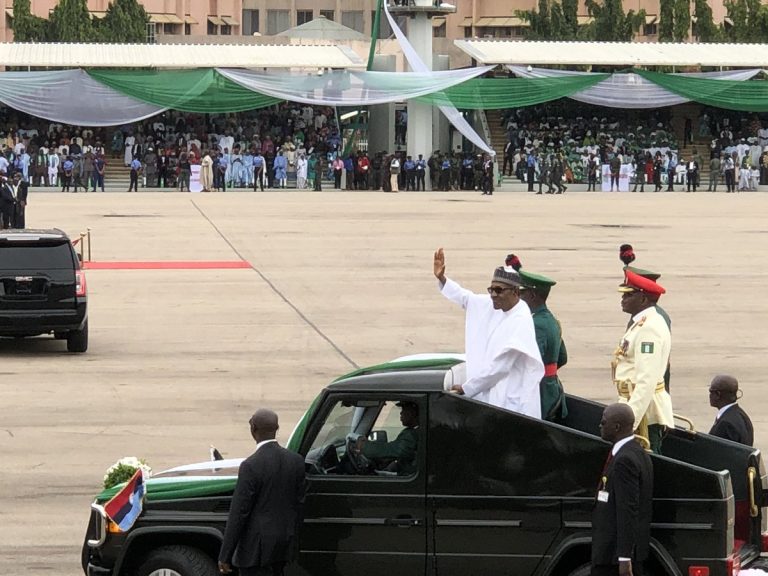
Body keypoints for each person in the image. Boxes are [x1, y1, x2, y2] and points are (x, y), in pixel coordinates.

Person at [433, 248, 544, 417]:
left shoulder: (520, 320)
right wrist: (442, 278)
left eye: (498, 290)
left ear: (515, 292)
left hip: (515, 405)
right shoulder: (495, 305)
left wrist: (467, 388)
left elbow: (500, 367)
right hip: (494, 397)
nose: (493, 295)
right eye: (491, 289)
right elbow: (466, 298)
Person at [218, 408, 306, 576]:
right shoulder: (296, 462)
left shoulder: (251, 465)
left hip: (255, 552)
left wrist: (225, 555)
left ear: (253, 429)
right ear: (277, 428)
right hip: (282, 547)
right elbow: (299, 505)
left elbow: (239, 513)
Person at [612, 270, 673, 453]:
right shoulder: (642, 322)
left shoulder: (649, 330)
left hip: (644, 413)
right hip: (632, 402)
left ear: (644, 299)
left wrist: (630, 422)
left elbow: (646, 380)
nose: (623, 299)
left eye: (629, 295)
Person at [591, 403, 653, 576]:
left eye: (604, 423)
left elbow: (628, 510)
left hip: (613, 557)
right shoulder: (637, 452)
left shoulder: (625, 460)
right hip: (614, 553)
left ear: (616, 427)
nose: (600, 426)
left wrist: (624, 558)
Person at [518, 269, 568, 422]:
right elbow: (562, 357)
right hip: (552, 388)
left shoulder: (535, 324)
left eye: (521, 293)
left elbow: (531, 364)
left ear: (532, 295)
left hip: (540, 393)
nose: (518, 298)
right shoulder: (551, 320)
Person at [355, 401, 419, 476]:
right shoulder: (413, 432)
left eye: (404, 410)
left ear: (413, 413)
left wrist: (363, 446)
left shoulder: (412, 435)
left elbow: (392, 449)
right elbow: (394, 449)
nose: (401, 413)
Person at [708, 375, 754, 446]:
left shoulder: (726, 424)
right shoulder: (742, 415)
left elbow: (717, 452)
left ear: (718, 394)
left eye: (711, 391)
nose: (709, 395)